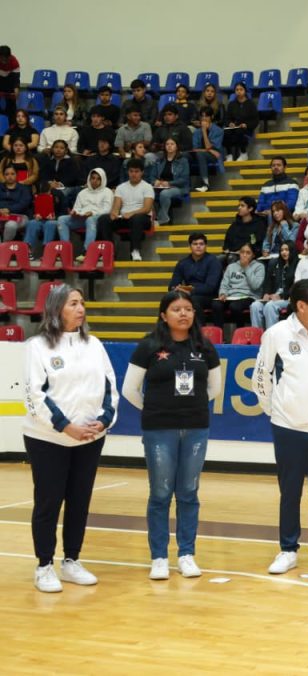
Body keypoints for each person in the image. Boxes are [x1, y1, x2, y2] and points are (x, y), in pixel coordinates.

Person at [23, 286, 117, 593]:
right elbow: (35, 395)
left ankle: (71, 560)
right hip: (48, 439)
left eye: (82, 303)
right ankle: (44, 566)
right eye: (73, 303)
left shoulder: (94, 345)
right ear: (56, 309)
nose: (81, 309)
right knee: (49, 502)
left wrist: (103, 421)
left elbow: (110, 388)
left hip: (89, 438)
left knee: (79, 501)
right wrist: (65, 426)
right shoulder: (37, 346)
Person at [122, 290, 221, 579]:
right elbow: (129, 390)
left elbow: (214, 388)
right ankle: (159, 557)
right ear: (164, 315)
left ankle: (186, 554)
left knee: (188, 493)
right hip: (159, 429)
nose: (183, 314)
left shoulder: (205, 347)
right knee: (161, 493)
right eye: (176, 309)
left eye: (188, 309)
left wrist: (191, 407)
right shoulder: (149, 345)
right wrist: (155, 409)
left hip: (196, 429)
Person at [254, 279, 308, 575]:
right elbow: (261, 377)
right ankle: (288, 549)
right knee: (290, 492)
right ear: (301, 305)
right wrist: (276, 411)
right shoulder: (276, 334)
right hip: (289, 427)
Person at [97, 158, 154, 261]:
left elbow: (147, 208)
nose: (133, 174)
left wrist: (131, 213)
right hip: (124, 218)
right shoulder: (120, 187)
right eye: (131, 171)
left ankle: (135, 251)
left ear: (142, 172)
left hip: (142, 218)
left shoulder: (147, 187)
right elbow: (116, 208)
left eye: (136, 171)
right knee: (104, 219)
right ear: (127, 172)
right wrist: (114, 213)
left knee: (136, 218)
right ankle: (109, 252)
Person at [58, 169, 112, 257]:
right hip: (82, 217)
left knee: (90, 219)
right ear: (89, 179)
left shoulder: (107, 192)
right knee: (62, 219)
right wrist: (75, 213)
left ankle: (87, 251)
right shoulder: (82, 193)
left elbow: (107, 210)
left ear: (102, 180)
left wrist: (92, 213)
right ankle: (65, 251)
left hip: (98, 218)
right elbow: (77, 208)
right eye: (93, 178)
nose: (95, 181)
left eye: (98, 179)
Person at [212, 241, 265, 328]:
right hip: (231, 296)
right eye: (242, 252)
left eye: (248, 253)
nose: (244, 255)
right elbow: (224, 284)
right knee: (216, 304)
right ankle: (219, 334)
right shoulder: (231, 266)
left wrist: (247, 267)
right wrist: (222, 294)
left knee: (235, 306)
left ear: (253, 255)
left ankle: (240, 330)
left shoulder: (259, 266)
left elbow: (255, 285)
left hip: (249, 296)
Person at [169, 232, 222, 314]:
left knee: (193, 300)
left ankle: (198, 323)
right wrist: (176, 288)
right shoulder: (183, 263)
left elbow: (210, 287)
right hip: (188, 294)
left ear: (206, 246)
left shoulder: (213, 261)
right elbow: (172, 285)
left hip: (210, 297)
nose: (198, 246)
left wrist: (190, 291)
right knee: (168, 299)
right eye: (195, 244)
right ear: (190, 246)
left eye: (201, 244)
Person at [251, 240, 298, 329]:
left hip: (288, 298)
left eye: (286, 250)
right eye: (282, 250)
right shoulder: (274, 263)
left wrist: (281, 295)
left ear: (292, 250)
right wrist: (266, 293)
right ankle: (258, 335)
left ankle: (271, 335)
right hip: (273, 297)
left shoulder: (297, 264)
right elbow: (268, 281)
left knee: (270, 306)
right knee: (255, 306)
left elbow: (296, 286)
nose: (284, 252)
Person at [145, 137, 189, 225]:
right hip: (160, 187)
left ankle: (163, 218)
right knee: (146, 192)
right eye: (167, 144)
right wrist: (155, 181)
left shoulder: (183, 161)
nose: (169, 146)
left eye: (172, 144)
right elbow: (152, 176)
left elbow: (184, 179)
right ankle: (149, 219)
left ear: (176, 146)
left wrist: (169, 183)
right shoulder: (159, 160)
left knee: (165, 193)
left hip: (178, 187)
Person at [256, 157, 300, 222]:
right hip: (266, 215)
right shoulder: (266, 185)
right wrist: (265, 211)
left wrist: (273, 211)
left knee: (272, 215)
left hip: (286, 215)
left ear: (285, 167)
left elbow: (291, 204)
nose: (276, 167)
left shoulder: (292, 183)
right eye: (273, 165)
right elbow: (260, 204)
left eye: (279, 165)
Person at [191, 106, 224, 192]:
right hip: (203, 153)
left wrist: (204, 131)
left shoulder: (218, 131)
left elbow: (210, 147)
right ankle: (183, 186)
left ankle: (205, 184)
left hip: (214, 156)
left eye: (206, 116)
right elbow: (194, 149)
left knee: (200, 154)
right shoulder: (196, 132)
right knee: (184, 155)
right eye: (202, 116)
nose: (204, 118)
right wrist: (209, 150)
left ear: (212, 117)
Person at [223, 82, 259, 161]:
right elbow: (227, 118)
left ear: (245, 91)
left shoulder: (251, 104)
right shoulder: (231, 104)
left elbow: (255, 120)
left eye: (241, 89)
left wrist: (246, 125)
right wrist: (230, 123)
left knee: (239, 131)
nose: (239, 91)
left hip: (246, 128)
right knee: (225, 132)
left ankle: (243, 153)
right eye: (237, 90)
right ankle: (229, 155)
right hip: (234, 127)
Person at [0, 164, 32, 241]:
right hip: (1, 215)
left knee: (11, 225)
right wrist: (1, 210)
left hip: (20, 216)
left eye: (12, 174)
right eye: (7, 174)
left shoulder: (24, 189)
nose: (10, 176)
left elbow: (23, 204)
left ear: (17, 175)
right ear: (3, 176)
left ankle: (4, 246)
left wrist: (8, 209)